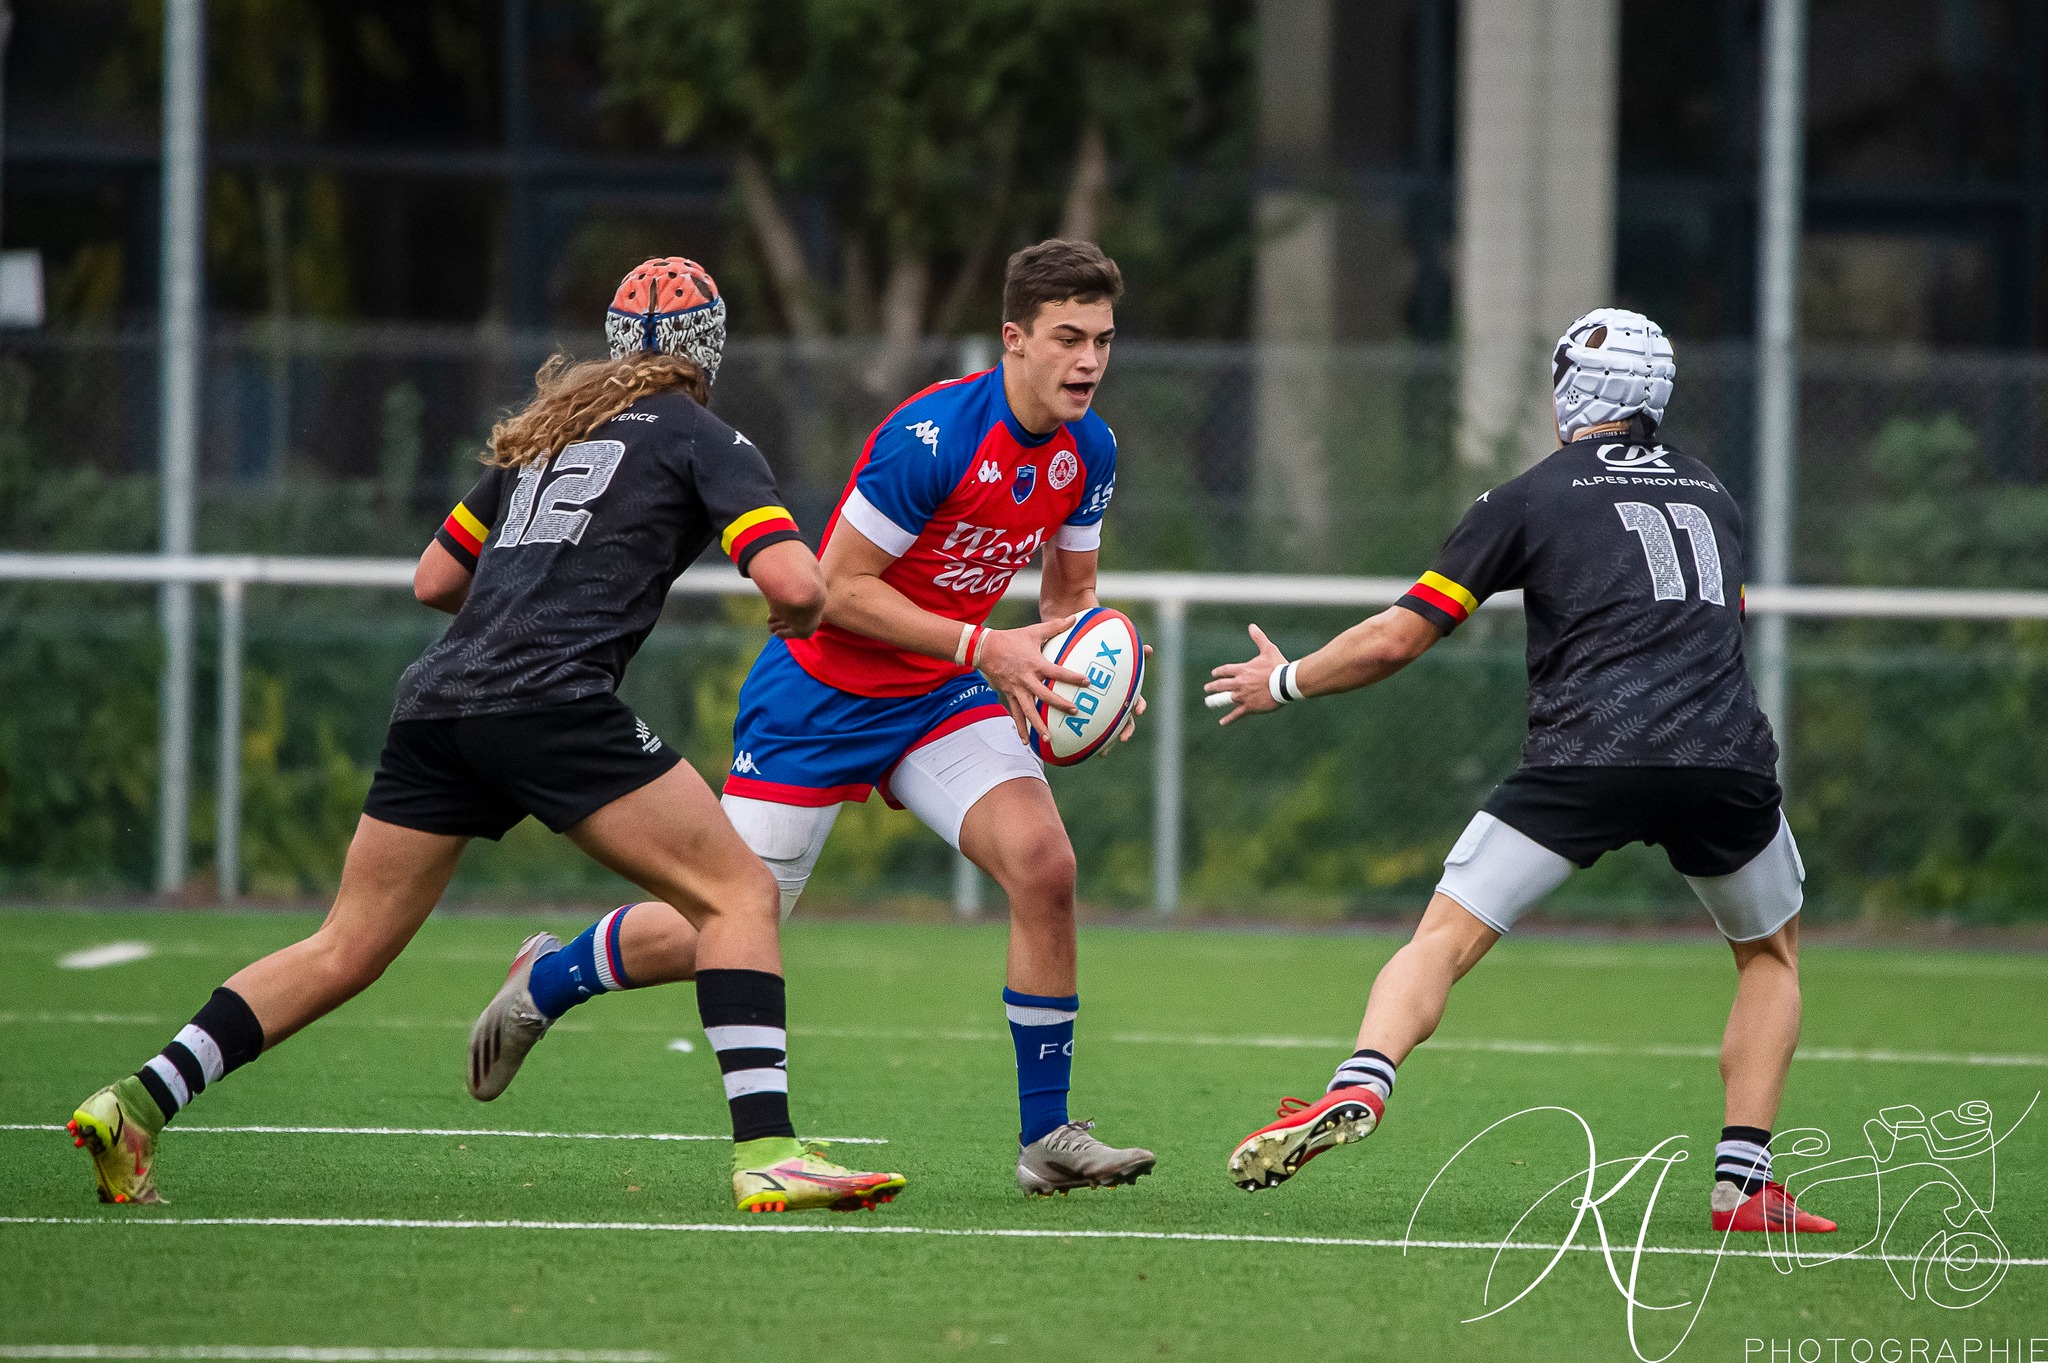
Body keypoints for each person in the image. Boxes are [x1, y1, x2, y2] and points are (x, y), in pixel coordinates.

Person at [67, 257, 906, 1216]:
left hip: (438, 701)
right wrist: (796, 618)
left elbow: (434, 578)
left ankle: (139, 1099)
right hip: (549, 703)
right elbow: (798, 584)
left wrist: (531, 582)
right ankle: (768, 1149)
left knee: (345, 944)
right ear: (710, 347)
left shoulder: (546, 433)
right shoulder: (707, 436)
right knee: (741, 893)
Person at [464, 239, 1158, 1196]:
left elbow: (1067, 600)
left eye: (1104, 341)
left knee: (1046, 866)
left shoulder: (1093, 449)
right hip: (820, 694)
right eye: (1068, 338)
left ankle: (1048, 1138)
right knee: (734, 913)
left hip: (938, 696)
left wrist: (1092, 673)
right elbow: (834, 591)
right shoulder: (931, 439)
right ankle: (548, 980)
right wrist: (982, 647)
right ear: (1014, 339)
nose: (1088, 361)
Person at [1207, 308, 1835, 1234]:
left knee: (1444, 939)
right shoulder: (1714, 494)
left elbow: (1397, 638)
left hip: (1587, 759)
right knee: (1770, 956)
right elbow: (1718, 625)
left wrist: (1287, 680)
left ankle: (1360, 1083)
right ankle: (1742, 1182)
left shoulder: (1530, 496)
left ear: (1569, 392)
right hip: (1723, 759)